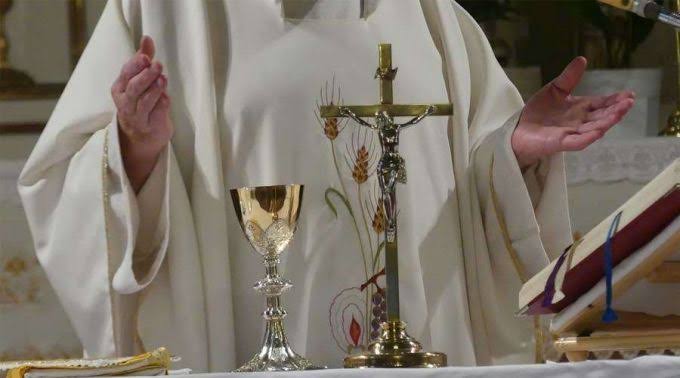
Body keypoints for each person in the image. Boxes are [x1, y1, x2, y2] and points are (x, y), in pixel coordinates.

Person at [18, 0, 634, 372]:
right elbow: (63, 185)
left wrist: (513, 149)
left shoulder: (431, 16)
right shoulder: (166, 14)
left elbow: (469, 178)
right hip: (238, 346)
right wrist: (134, 149)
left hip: (419, 348)